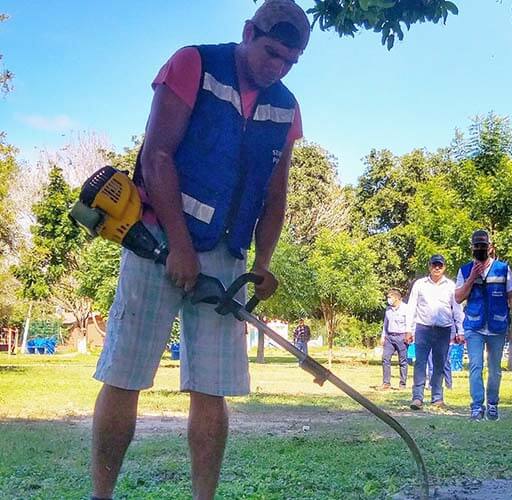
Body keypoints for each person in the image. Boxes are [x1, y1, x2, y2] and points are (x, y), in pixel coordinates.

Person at [89, 2, 310, 499]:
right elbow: (157, 156)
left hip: (228, 256)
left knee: (213, 388)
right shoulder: (194, 63)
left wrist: (263, 263)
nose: (278, 67)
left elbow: (276, 194)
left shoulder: (287, 106)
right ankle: (100, 495)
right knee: (125, 374)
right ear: (248, 32)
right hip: (157, 240)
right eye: (271, 53)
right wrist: (180, 247)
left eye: (289, 61)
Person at [455, 230, 512, 421]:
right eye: (476, 246)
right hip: (474, 326)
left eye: (483, 246)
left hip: (497, 325)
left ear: (490, 247)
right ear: (472, 248)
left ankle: (492, 404)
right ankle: (477, 406)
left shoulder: (503, 269)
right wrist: (471, 278)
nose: (480, 249)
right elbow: (458, 297)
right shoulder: (464, 270)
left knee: (495, 369)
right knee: (475, 366)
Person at [408, 254, 464, 410]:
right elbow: (411, 307)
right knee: (420, 363)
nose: (437, 268)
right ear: (429, 266)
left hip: (443, 329)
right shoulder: (420, 284)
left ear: (444, 267)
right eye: (434, 265)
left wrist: (460, 330)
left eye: (440, 265)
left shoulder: (451, 286)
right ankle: (417, 398)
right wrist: (408, 329)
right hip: (423, 328)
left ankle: (437, 398)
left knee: (440, 364)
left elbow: (457, 309)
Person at [381, 288, 412, 390]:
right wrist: (383, 336)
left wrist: (409, 335)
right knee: (385, 358)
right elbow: (385, 324)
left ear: (396, 298)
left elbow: (409, 323)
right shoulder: (388, 310)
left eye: (390, 297)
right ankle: (386, 383)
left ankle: (402, 384)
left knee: (402, 361)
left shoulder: (406, 308)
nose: (388, 300)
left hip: (402, 337)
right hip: (389, 337)